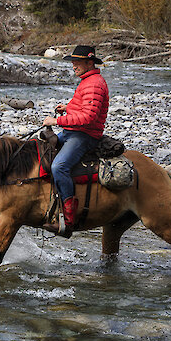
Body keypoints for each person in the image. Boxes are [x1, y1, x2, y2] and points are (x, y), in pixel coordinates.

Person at [42, 45, 109, 236]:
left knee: (58, 166)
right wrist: (68, 108)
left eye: (77, 62)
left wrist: (57, 120)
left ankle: (69, 221)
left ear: (89, 62)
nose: (73, 65)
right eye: (73, 62)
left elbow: (88, 117)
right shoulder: (87, 80)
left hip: (84, 135)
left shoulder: (94, 84)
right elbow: (82, 106)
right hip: (74, 131)